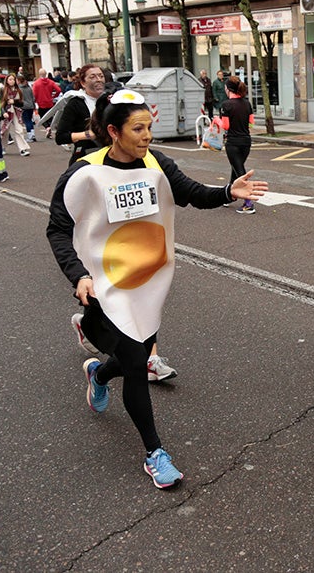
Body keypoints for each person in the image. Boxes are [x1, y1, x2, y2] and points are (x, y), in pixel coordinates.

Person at [46, 88, 268, 489]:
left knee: (133, 356)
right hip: (107, 283)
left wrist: (226, 193)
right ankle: (154, 452)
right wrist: (79, 275)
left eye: (149, 125)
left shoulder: (157, 163)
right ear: (113, 131)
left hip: (149, 281)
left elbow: (190, 194)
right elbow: (59, 229)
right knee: (135, 362)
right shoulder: (85, 172)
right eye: (138, 128)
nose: (147, 135)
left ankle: (98, 373)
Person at [54, 64, 106, 165]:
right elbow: (60, 137)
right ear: (83, 83)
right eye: (93, 77)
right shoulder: (76, 103)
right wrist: (88, 134)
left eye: (101, 76)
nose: (98, 79)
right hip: (86, 159)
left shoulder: (110, 100)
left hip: (110, 157)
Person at [221, 76, 256, 214]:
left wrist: (217, 120)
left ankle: (248, 203)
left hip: (233, 143)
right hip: (246, 142)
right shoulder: (247, 103)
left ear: (228, 89)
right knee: (235, 169)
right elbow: (251, 123)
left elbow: (226, 125)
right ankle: (229, 196)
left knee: (240, 172)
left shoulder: (226, 105)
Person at [0, 73, 31, 156]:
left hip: (17, 112)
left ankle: (22, 149)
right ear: (7, 81)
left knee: (19, 130)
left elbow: (22, 103)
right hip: (7, 112)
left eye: (13, 79)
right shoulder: (3, 90)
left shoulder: (18, 90)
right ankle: (3, 147)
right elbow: (0, 103)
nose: (12, 81)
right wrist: (3, 112)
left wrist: (15, 102)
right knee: (5, 131)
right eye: (10, 79)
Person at [17, 73, 36, 143]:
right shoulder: (29, 88)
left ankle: (29, 136)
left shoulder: (19, 89)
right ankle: (32, 134)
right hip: (30, 105)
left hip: (24, 106)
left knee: (26, 121)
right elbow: (33, 98)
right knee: (30, 120)